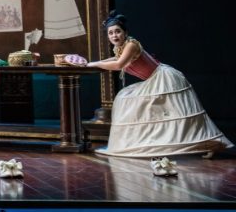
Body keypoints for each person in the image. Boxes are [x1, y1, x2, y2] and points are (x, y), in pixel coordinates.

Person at [86, 11, 232, 158]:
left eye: (117, 31)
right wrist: (92, 64)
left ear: (125, 32)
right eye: (110, 33)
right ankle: (140, 142)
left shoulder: (131, 44)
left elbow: (119, 64)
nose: (114, 36)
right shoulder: (120, 48)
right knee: (128, 101)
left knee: (182, 115)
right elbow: (114, 58)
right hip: (152, 81)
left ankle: (212, 143)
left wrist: (95, 64)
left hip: (164, 78)